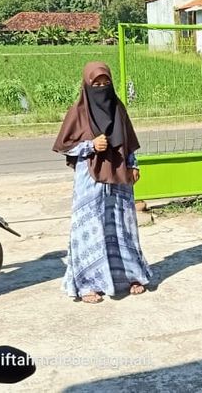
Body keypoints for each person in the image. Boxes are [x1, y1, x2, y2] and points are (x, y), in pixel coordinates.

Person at [53, 62, 151, 304]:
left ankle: (130, 276)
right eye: (96, 84)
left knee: (122, 225)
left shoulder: (118, 107)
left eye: (105, 83)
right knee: (90, 229)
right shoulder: (78, 112)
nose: (101, 88)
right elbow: (65, 146)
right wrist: (90, 145)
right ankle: (88, 284)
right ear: (86, 86)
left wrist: (133, 163)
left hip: (119, 175)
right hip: (89, 178)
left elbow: (128, 140)